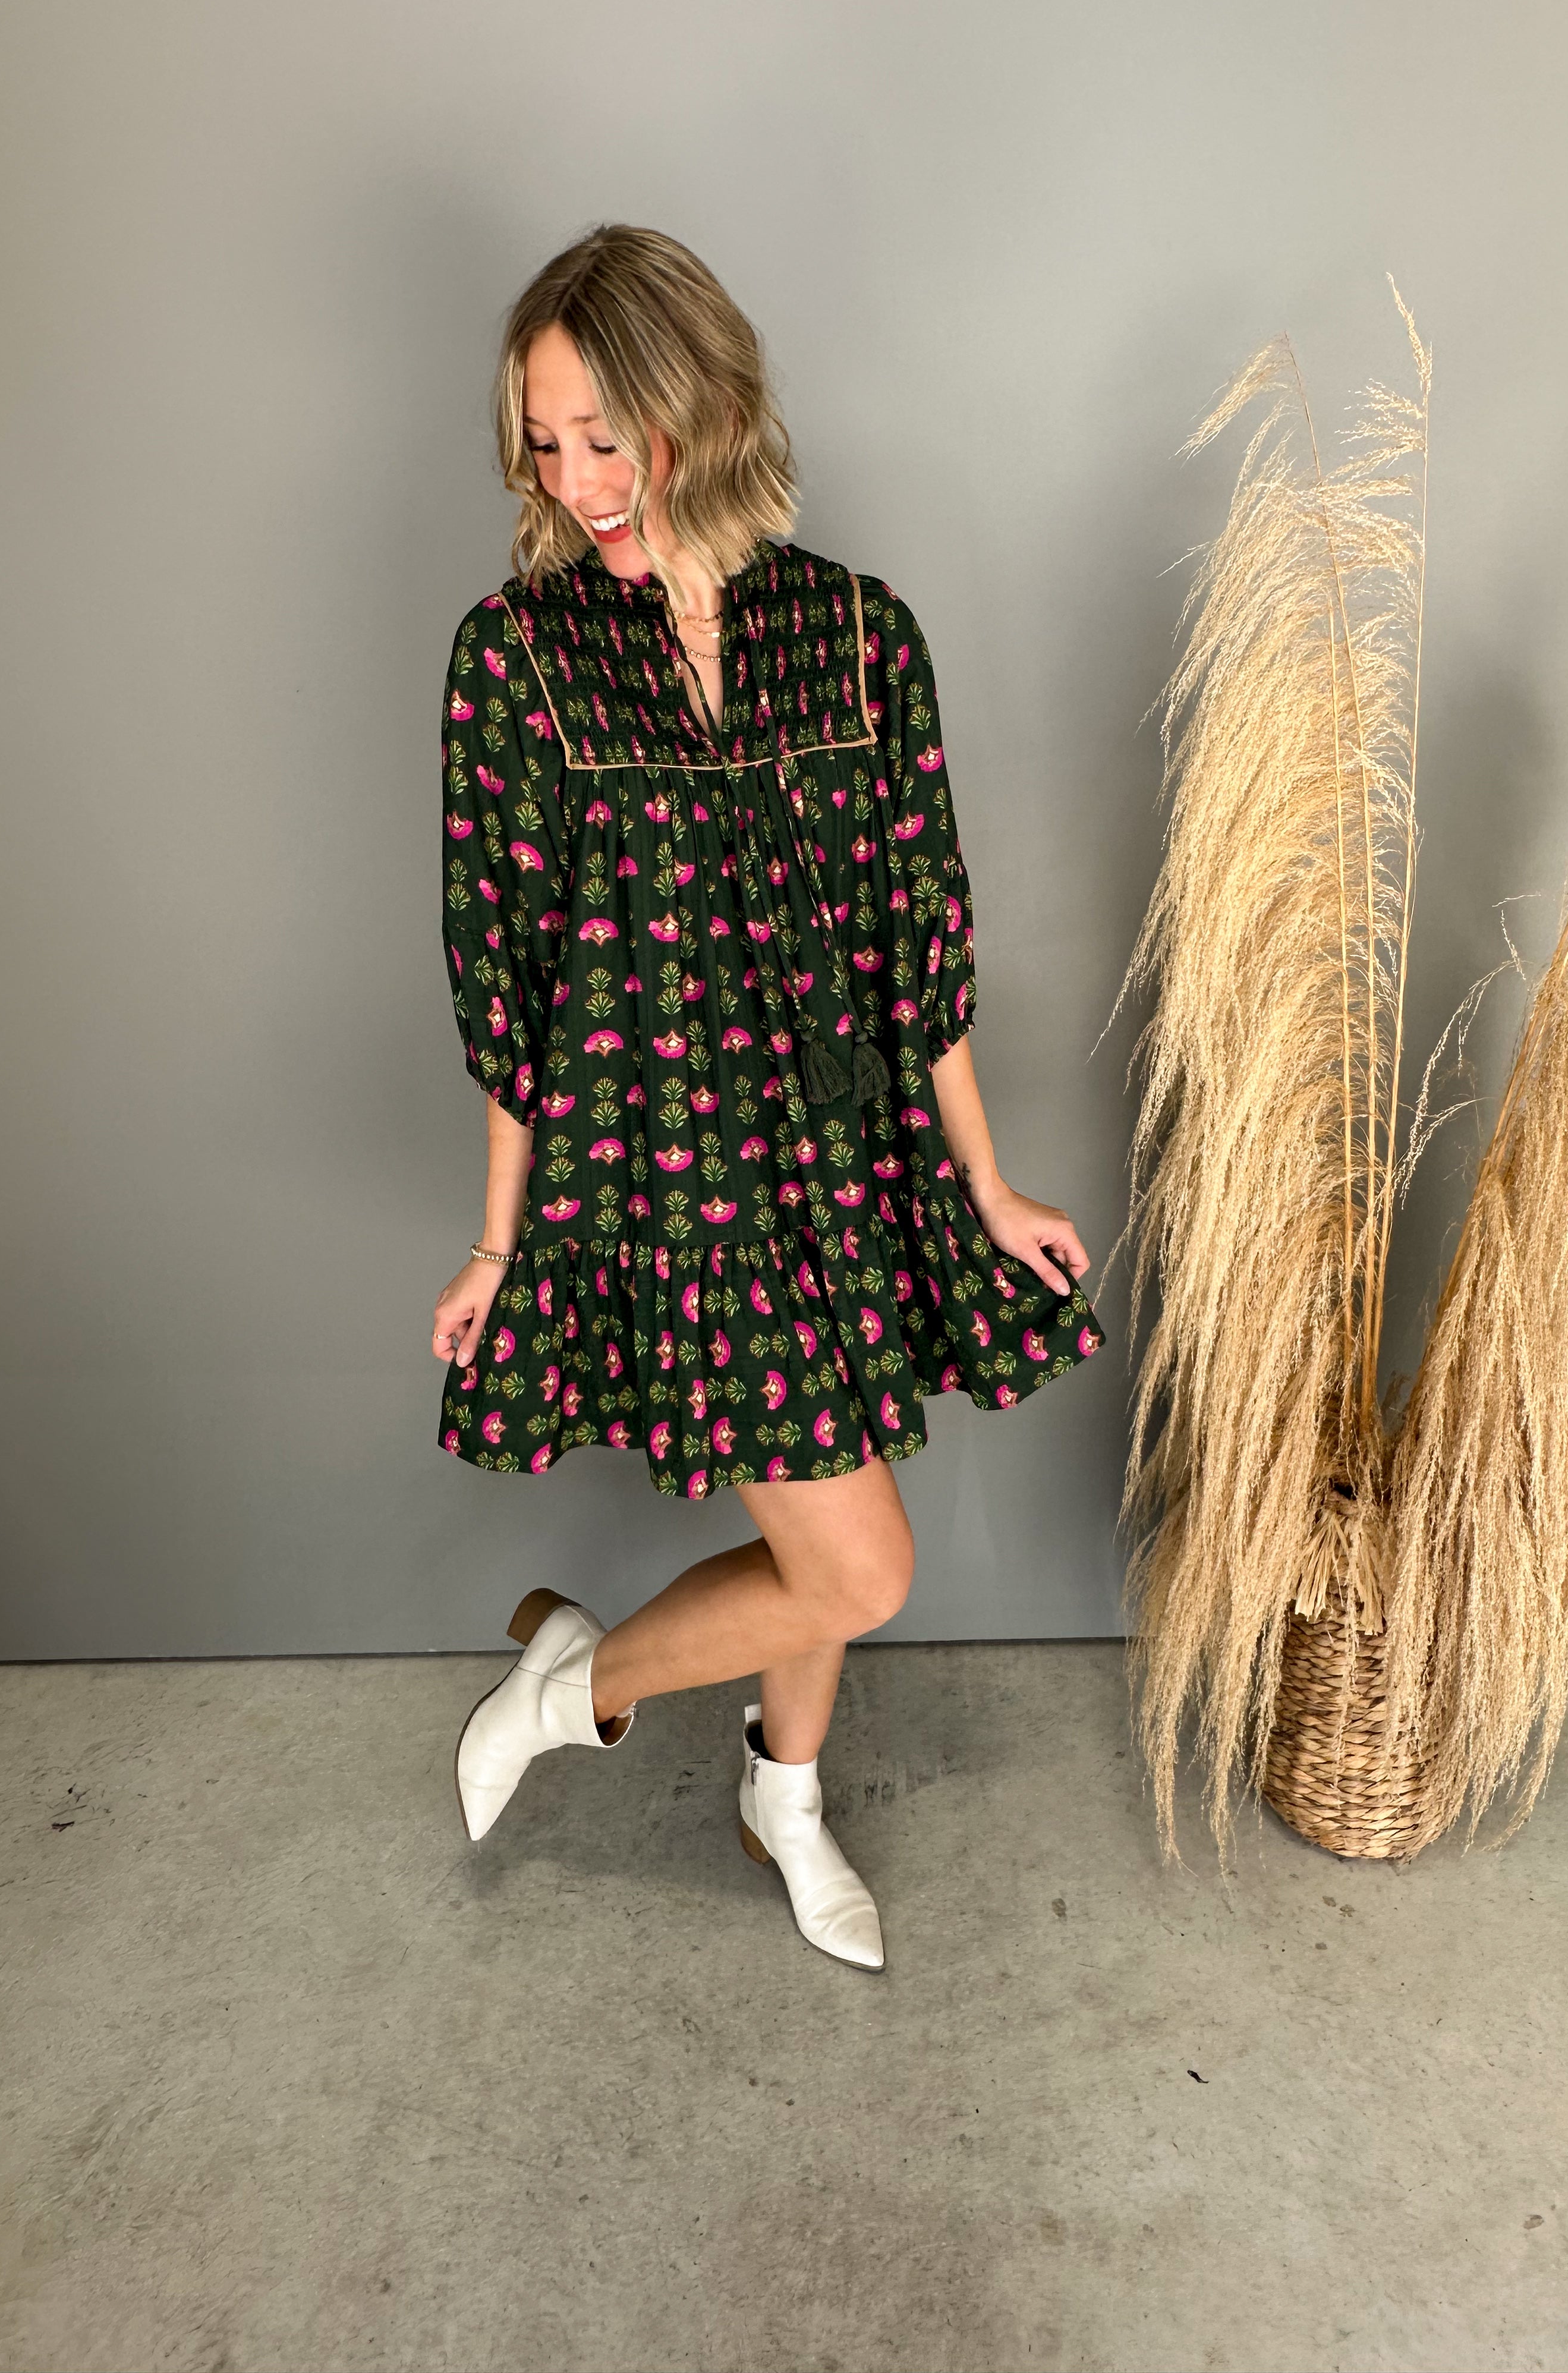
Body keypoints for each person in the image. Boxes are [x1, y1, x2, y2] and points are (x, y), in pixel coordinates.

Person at [432, 225, 1103, 1971]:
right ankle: (572, 1692)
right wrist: (499, 1245)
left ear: (705, 411)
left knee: (828, 1522)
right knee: (855, 1561)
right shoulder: (519, 658)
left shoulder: (860, 636)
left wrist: (986, 1184)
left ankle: (780, 1796)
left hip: (844, 1155)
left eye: (609, 437)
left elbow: (920, 939)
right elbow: (511, 977)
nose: (577, 481)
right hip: (670, 1177)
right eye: (544, 442)